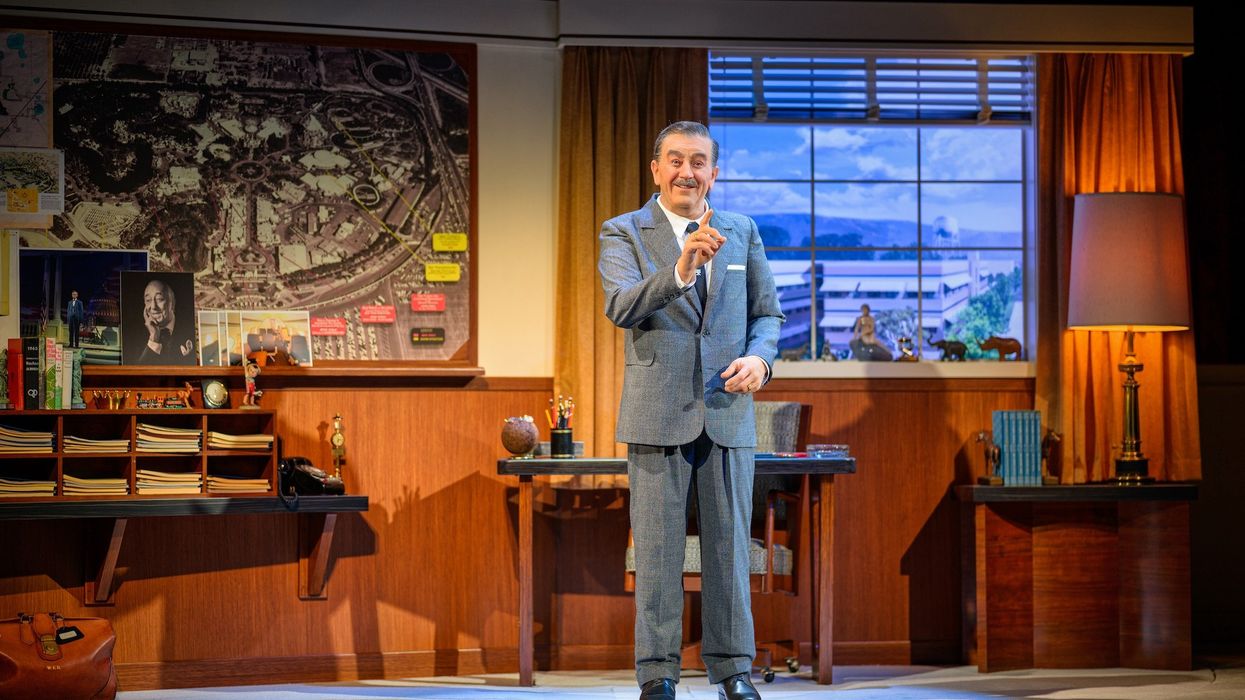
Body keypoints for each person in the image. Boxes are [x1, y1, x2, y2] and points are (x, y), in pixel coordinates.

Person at [598, 121, 783, 700]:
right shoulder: (623, 231)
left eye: (698, 161)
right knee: (657, 551)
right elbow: (621, 306)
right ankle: (658, 674)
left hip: (728, 410)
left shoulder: (741, 230)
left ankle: (733, 671)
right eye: (675, 160)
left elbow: (768, 315)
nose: (687, 171)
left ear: (714, 173)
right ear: (656, 169)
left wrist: (760, 361)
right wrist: (680, 269)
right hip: (657, 411)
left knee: (729, 550)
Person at [137, 278, 194, 364]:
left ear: (172, 303)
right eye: (148, 300)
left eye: (159, 299)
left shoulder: (189, 328)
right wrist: (153, 338)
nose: (153, 307)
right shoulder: (135, 334)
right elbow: (138, 373)